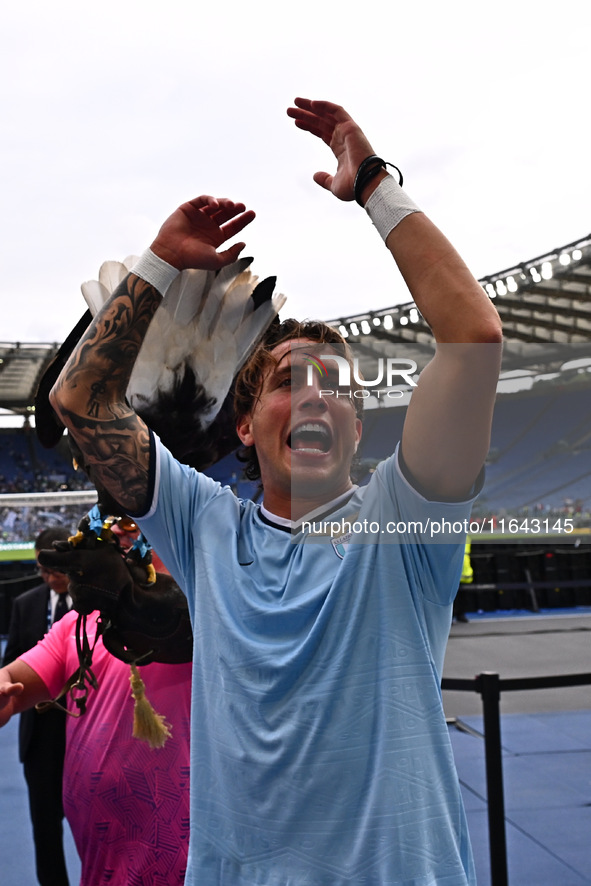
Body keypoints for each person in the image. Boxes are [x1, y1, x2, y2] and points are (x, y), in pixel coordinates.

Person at [42, 98, 502, 884]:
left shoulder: (406, 524)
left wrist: (374, 187)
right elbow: (80, 403)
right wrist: (159, 261)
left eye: (335, 387)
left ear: (356, 429)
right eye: (289, 382)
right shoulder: (203, 527)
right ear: (247, 428)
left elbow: (472, 340)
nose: (316, 396)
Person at [0, 599, 192, 885]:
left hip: (190, 848)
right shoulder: (79, 624)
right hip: (101, 856)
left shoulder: (202, 614)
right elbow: (13, 685)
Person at [2, 526, 72, 886]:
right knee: (45, 832)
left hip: (87, 735)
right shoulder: (24, 604)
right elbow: (11, 662)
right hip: (40, 742)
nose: (49, 578)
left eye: (55, 570)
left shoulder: (99, 605)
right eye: (42, 571)